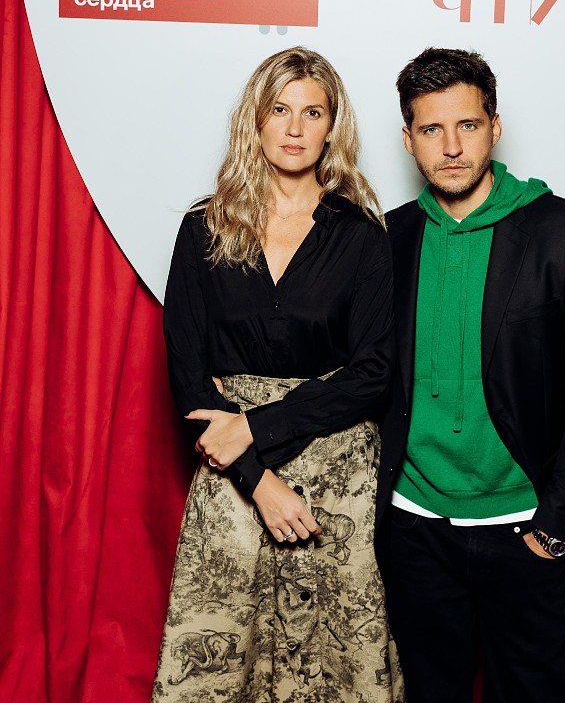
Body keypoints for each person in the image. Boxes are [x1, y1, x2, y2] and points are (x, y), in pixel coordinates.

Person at [152, 47, 403, 702]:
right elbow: (188, 376)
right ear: (255, 120)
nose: (294, 128)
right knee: (221, 663)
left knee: (335, 668)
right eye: (279, 110)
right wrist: (258, 480)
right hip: (232, 475)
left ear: (332, 126)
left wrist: (255, 428)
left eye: (312, 112)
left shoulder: (362, 235)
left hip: (337, 475)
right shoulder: (202, 228)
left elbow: (373, 372)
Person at [376, 47, 565, 703]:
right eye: (431, 129)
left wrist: (554, 530)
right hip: (415, 527)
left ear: (495, 126)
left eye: (468, 124)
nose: (451, 146)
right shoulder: (388, 238)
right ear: (407, 139)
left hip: (525, 527)